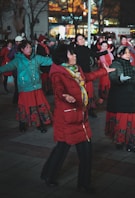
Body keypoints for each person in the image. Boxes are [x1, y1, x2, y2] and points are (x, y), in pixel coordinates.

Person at [40, 44, 115, 192]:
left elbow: (87, 77)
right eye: (71, 54)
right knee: (61, 149)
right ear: (63, 57)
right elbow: (58, 90)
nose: (74, 56)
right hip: (67, 119)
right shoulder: (58, 74)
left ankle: (83, 184)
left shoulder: (77, 70)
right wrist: (65, 96)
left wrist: (103, 72)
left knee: (86, 152)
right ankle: (49, 175)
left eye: (74, 54)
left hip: (81, 118)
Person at [0, 40, 53, 133]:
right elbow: (7, 67)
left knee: (39, 106)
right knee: (24, 107)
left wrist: (61, 60)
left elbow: (49, 61)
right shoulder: (18, 60)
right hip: (25, 88)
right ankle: (22, 123)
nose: (30, 49)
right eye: (27, 47)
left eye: (30, 47)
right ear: (22, 49)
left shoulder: (36, 58)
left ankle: (40, 124)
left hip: (36, 87)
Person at [74, 33, 108, 118]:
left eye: (82, 38)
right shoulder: (74, 50)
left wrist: (106, 52)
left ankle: (90, 110)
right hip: (78, 74)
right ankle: (80, 110)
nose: (82, 40)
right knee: (80, 93)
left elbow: (95, 54)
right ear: (76, 42)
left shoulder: (86, 49)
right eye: (80, 39)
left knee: (90, 92)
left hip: (88, 73)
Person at [8, 35, 24, 103]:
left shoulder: (14, 49)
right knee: (19, 86)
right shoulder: (17, 49)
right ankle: (17, 100)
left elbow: (9, 56)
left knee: (18, 86)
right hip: (19, 70)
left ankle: (17, 100)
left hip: (18, 70)